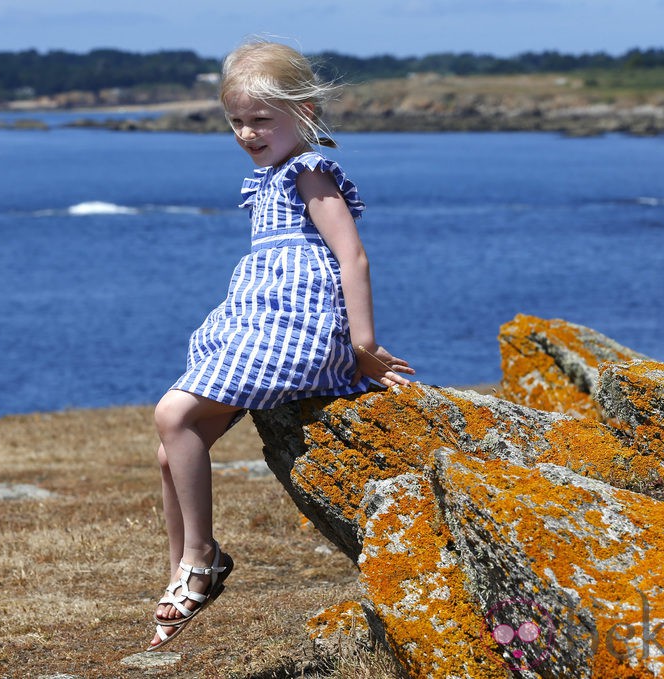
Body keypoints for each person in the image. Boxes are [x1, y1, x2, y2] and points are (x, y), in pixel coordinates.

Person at [148, 40, 415, 651]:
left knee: (172, 414)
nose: (247, 131)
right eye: (236, 120)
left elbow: (352, 256)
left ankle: (199, 559)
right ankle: (188, 566)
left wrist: (364, 343)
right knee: (173, 448)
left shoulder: (308, 170)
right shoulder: (264, 180)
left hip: (299, 325)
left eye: (261, 119)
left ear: (306, 110)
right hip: (260, 319)